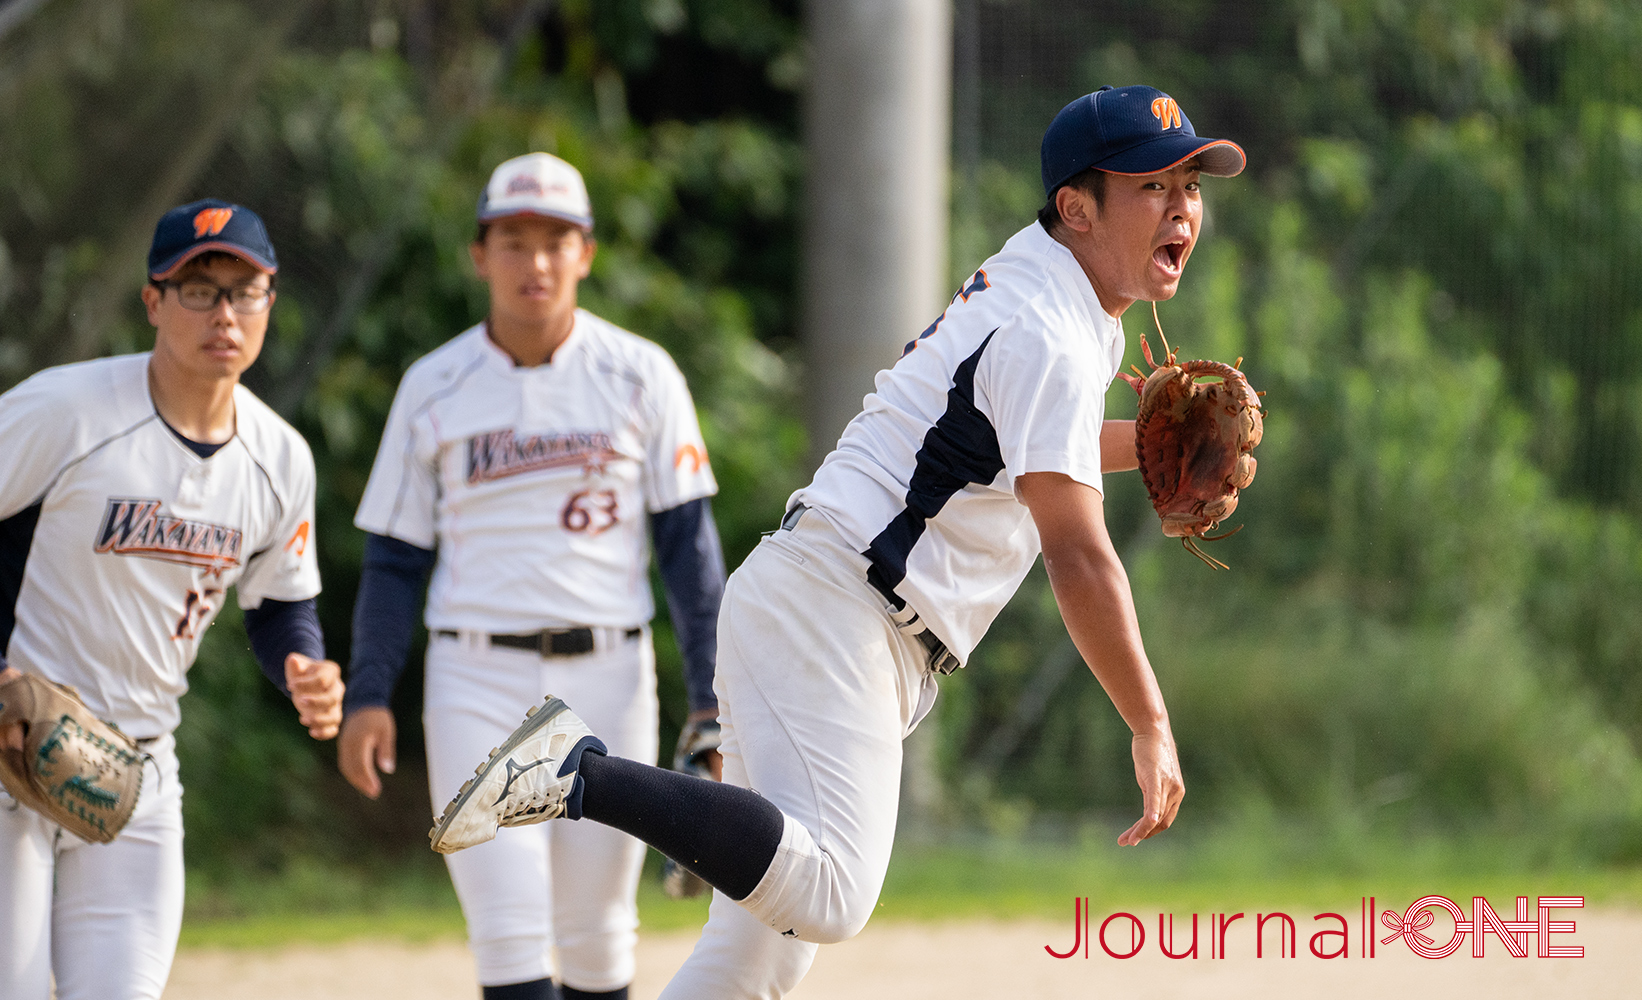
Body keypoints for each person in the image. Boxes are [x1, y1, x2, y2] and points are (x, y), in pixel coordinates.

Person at [429, 85, 1246, 998]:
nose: (1182, 206)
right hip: (837, 612)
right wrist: (1149, 721)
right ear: (1075, 206)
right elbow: (1078, 553)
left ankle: (578, 774)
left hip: (823, 600)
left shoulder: (1050, 295)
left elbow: (1011, 445)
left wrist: (1143, 445)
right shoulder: (1050, 332)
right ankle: (578, 772)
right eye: (1153, 184)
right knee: (829, 893)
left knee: (757, 955)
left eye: (1192, 185)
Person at [341, 152, 727, 1000]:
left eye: (556, 241)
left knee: (597, 939)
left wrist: (711, 698)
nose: (536, 262)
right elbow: (396, 559)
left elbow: (688, 551)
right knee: (509, 929)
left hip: (611, 676)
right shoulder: (433, 384)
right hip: (475, 675)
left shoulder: (640, 372)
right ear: (479, 254)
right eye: (513, 240)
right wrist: (369, 692)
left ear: (586, 252)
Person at [0, 199, 345, 1000]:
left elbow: (279, 603)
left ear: (269, 303)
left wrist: (304, 662)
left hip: (137, 771)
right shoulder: (67, 412)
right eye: (199, 288)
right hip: (9, 751)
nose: (224, 312)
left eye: (244, 290)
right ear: (153, 301)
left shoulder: (279, 460)